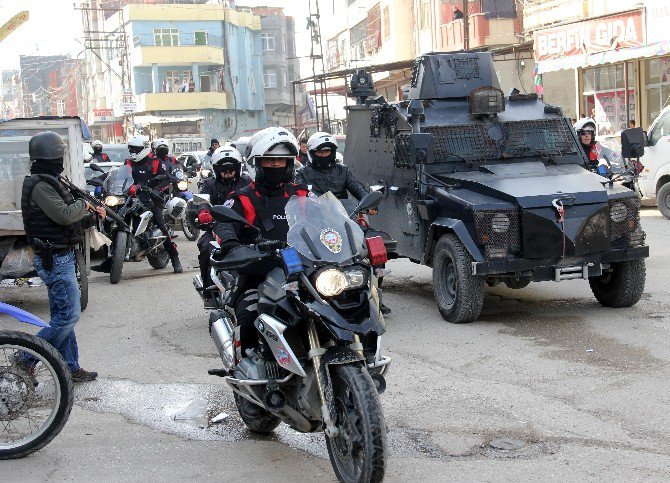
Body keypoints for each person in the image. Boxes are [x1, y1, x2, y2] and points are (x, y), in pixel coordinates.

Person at [212, 127, 308, 352]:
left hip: (304, 270)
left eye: (281, 161)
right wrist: (231, 244)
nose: (276, 165)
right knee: (249, 317)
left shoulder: (301, 194)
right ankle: (247, 367)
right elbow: (224, 223)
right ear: (256, 163)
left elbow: (325, 217)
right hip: (259, 271)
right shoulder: (244, 197)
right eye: (269, 161)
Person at [19, 131, 105, 382]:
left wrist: (92, 217)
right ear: (53, 156)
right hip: (54, 258)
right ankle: (26, 358)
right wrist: (85, 206)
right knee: (68, 317)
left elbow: (65, 222)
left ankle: (69, 366)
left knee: (62, 317)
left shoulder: (51, 181)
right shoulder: (41, 186)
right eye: (60, 154)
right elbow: (64, 215)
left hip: (60, 254)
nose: (62, 159)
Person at [196, 145, 251, 302]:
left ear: (238, 167)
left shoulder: (246, 182)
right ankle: (208, 290)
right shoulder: (209, 184)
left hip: (245, 227)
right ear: (216, 169)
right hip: (215, 228)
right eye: (223, 168)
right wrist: (203, 212)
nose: (228, 171)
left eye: (231, 167)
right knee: (206, 248)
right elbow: (202, 201)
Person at [127, 136, 183, 273]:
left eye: (137, 149)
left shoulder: (155, 162)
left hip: (152, 200)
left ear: (145, 149)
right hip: (133, 199)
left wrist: (157, 188)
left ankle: (175, 259)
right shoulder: (128, 163)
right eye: (131, 149)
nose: (134, 152)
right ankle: (111, 260)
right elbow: (122, 177)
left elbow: (166, 178)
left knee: (161, 225)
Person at [295, 131, 368, 200]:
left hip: (341, 212)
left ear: (332, 152)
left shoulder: (342, 170)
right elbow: (298, 195)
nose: (324, 155)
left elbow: (356, 186)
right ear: (312, 153)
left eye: (327, 151)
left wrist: (367, 200)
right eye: (320, 152)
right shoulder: (303, 173)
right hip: (315, 211)